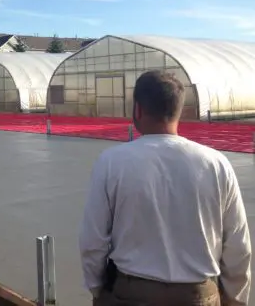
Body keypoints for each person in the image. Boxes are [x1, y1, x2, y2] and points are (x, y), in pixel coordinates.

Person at [79, 70, 251, 306]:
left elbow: (92, 241)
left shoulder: (111, 162)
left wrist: (98, 290)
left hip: (129, 294)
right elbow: (238, 248)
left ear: (137, 109)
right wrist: (233, 299)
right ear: (178, 110)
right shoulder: (216, 164)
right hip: (198, 295)